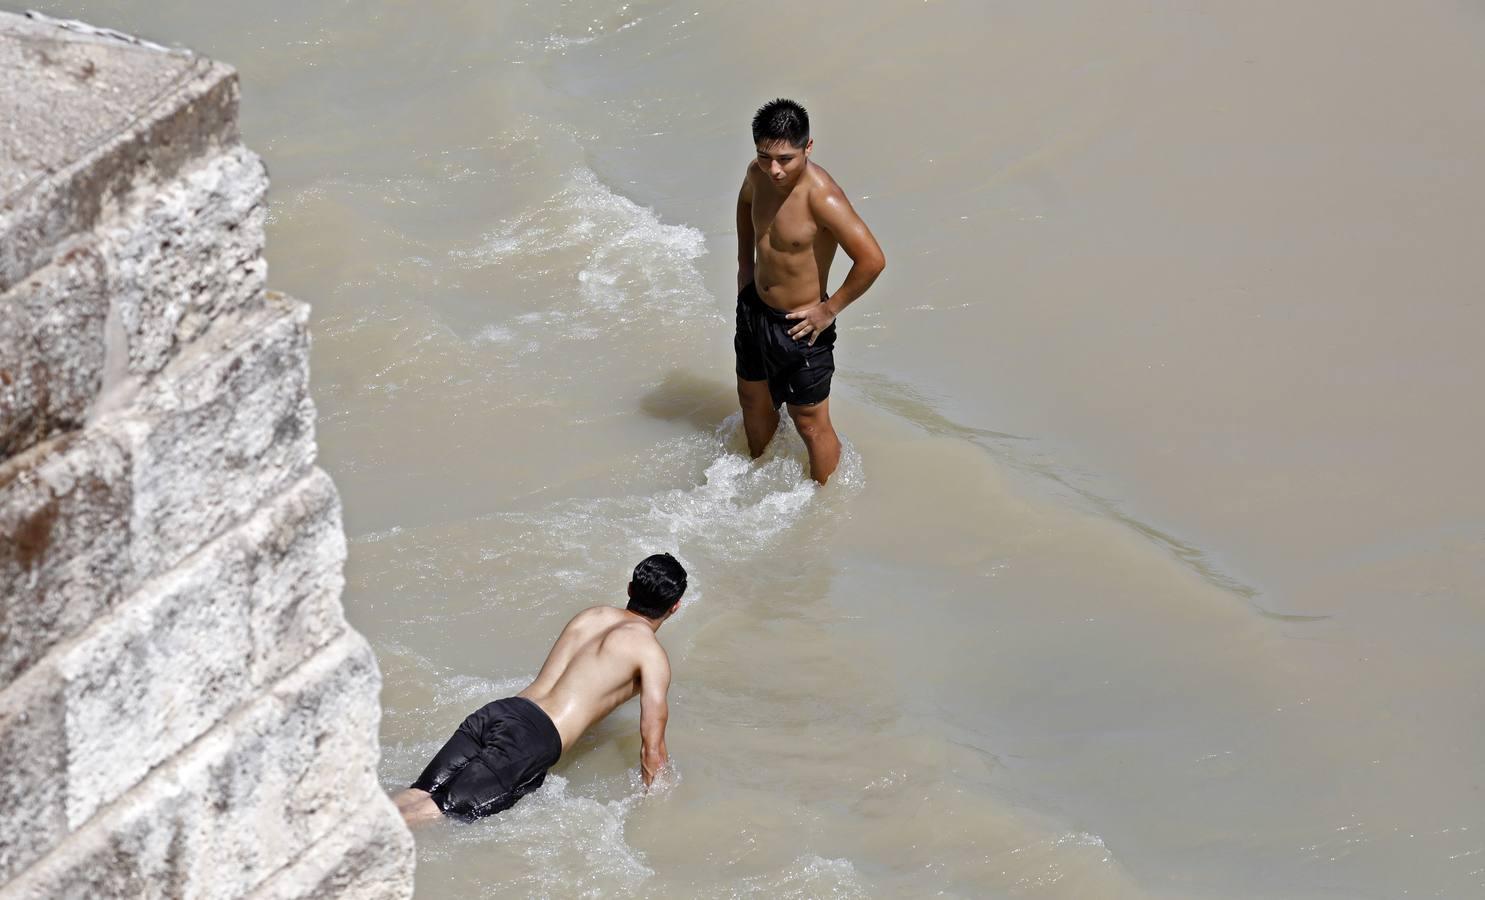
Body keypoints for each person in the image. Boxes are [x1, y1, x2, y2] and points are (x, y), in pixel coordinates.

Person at [393, 554, 687, 825]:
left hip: (501, 711)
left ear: (629, 589)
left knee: (418, 795)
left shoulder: (591, 616)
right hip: (530, 740)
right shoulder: (651, 654)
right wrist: (658, 816)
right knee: (441, 813)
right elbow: (652, 749)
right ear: (675, 606)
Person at [735, 98, 886, 483]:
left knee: (810, 423)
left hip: (802, 326)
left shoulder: (823, 197)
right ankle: (757, 472)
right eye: (765, 156)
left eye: (786, 159)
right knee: (752, 399)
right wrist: (744, 268)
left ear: (808, 147)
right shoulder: (758, 174)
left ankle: (825, 504)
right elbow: (745, 202)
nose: (775, 169)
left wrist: (828, 309)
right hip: (755, 310)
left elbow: (872, 260)